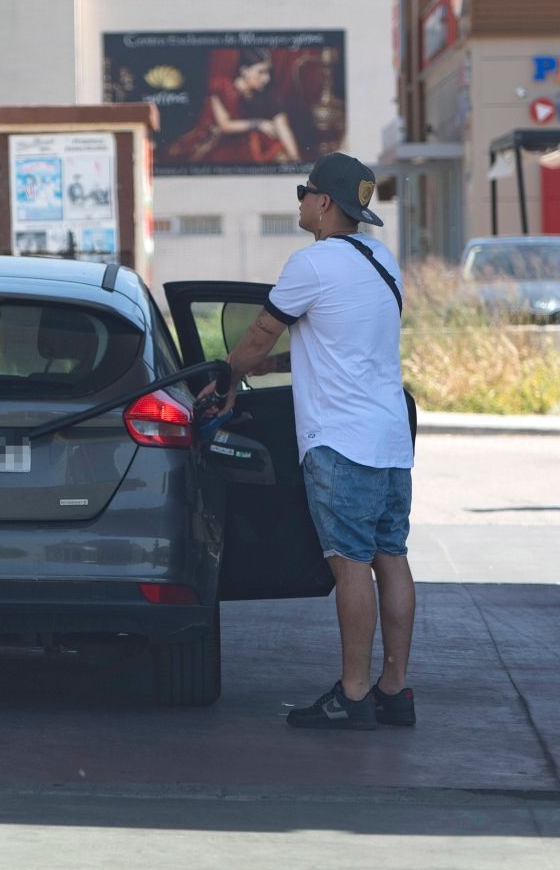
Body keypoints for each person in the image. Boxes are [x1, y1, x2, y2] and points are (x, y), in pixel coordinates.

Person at [199, 152, 416, 731]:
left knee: (350, 566)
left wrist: (227, 379)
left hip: (341, 443)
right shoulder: (382, 259)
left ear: (324, 203)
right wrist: (268, 368)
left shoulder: (312, 263)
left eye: (304, 191)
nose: (299, 201)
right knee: (390, 558)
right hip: (390, 438)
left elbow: (252, 336)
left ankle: (351, 695)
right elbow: (337, 343)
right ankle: (394, 690)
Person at [169, 49, 303, 166]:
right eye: (261, 72)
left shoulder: (263, 94)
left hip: (243, 142)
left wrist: (295, 160)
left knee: (276, 151)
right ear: (244, 71)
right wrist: (259, 124)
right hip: (215, 143)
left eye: (268, 73)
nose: (266, 78)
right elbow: (224, 125)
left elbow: (281, 122)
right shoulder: (221, 87)